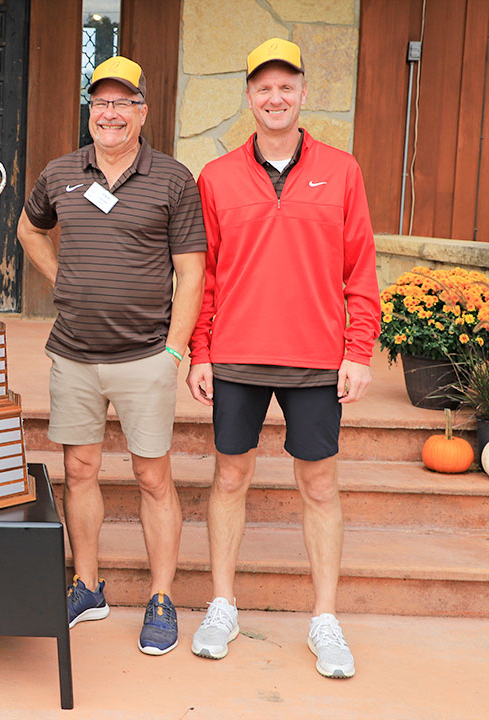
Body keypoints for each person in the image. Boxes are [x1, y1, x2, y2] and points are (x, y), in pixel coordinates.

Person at [186, 38, 379, 679]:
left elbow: (360, 270)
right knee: (230, 479)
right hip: (236, 355)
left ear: (302, 94)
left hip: (316, 359)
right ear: (249, 96)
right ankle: (222, 605)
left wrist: (358, 351)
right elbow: (205, 276)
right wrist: (200, 351)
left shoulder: (343, 171)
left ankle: (325, 618)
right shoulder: (215, 178)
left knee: (318, 485)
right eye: (263, 88)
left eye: (286, 86)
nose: (275, 97)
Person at [17, 56, 205, 655]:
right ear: (89, 111)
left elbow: (192, 270)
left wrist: (176, 349)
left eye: (124, 102)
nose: (111, 113)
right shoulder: (61, 173)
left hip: (146, 353)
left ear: (143, 112)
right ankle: (88, 586)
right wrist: (62, 280)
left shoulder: (173, 178)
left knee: (152, 475)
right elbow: (28, 229)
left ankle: (161, 598)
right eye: (101, 102)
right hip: (74, 354)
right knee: (80, 471)